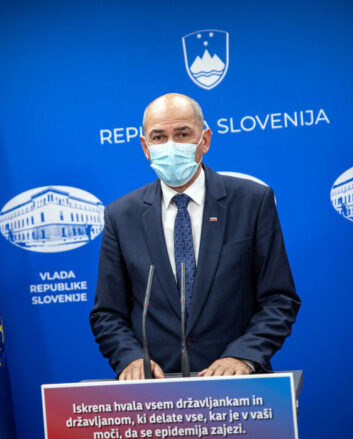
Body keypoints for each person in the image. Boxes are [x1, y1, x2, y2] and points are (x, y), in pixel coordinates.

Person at [89, 93, 300, 380]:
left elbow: (279, 299)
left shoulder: (252, 202)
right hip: (154, 389)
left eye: (183, 134)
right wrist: (130, 358)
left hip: (238, 385)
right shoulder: (120, 215)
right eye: (159, 137)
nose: (171, 145)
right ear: (145, 147)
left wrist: (243, 355)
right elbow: (107, 313)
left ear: (205, 140)